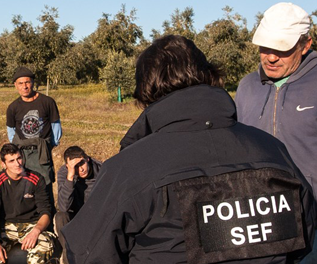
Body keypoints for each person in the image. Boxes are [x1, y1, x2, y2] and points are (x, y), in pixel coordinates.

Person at [61, 35, 316, 264]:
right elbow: (304, 235)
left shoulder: (128, 169)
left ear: (145, 92)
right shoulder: (274, 151)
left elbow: (85, 254)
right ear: (209, 76)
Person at [235, 3, 317, 262]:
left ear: (305, 45)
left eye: (281, 49)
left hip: (313, 219)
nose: (270, 57)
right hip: (260, 219)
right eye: (265, 47)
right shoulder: (247, 86)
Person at [0, 143, 57, 264]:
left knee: (44, 248)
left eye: (19, 158)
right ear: (3, 164)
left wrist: (36, 231)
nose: (17, 164)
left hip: (32, 225)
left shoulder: (37, 179)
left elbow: (46, 212)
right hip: (6, 227)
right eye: (11, 161)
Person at [6, 66, 62, 211]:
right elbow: (11, 131)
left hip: (41, 153)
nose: (24, 86)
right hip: (22, 154)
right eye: (20, 83)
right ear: (15, 85)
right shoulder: (13, 107)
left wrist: (48, 146)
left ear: (33, 83)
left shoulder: (47, 102)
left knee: (44, 184)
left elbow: (56, 126)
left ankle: (48, 219)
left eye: (27, 82)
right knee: (24, 186)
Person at [55, 146, 102, 264]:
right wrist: (70, 177)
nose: (80, 169)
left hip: (96, 216)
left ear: (87, 159)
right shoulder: (64, 173)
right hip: (75, 216)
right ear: (67, 167)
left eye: (81, 163)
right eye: (75, 167)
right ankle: (68, 258)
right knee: (60, 216)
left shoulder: (102, 170)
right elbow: (63, 206)